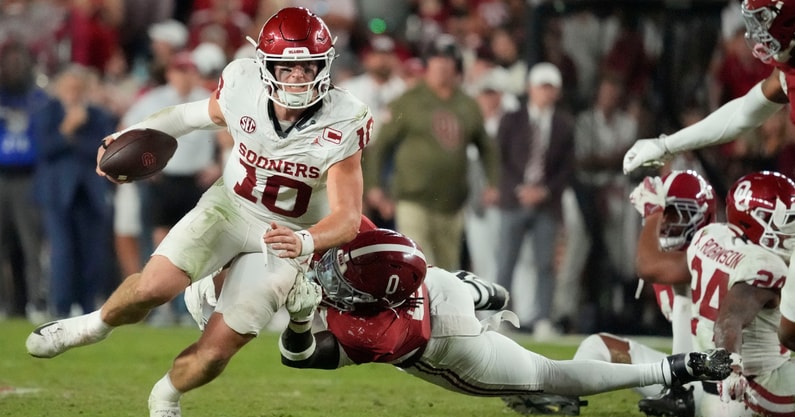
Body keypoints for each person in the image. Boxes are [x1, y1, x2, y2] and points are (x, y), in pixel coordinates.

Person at [25, 7, 371, 417]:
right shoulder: (243, 86)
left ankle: (165, 396)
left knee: (215, 354)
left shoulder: (344, 118)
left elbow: (348, 218)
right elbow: (187, 117)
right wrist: (126, 136)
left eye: (307, 65)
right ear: (267, 67)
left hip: (287, 234)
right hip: (230, 207)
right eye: (287, 67)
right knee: (152, 288)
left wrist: (304, 240)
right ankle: (92, 325)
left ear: (324, 64)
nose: (298, 77)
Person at [183, 226, 734, 416]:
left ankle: (671, 370)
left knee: (550, 375)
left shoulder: (382, 330)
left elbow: (296, 356)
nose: (328, 274)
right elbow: (338, 230)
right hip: (438, 284)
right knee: (460, 284)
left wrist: (303, 318)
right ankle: (482, 289)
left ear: (369, 299)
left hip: (448, 344)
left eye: (340, 279)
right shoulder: (376, 256)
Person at [619, 0, 795, 351]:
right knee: (788, 333)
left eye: (764, 20)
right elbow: (744, 112)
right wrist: (666, 144)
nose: (758, 32)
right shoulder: (788, 71)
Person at [574, 170, 718, 417]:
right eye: (664, 212)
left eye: (675, 213)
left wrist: (652, 213)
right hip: (688, 370)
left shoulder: (712, 247)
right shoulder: (666, 257)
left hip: (722, 386)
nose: (666, 222)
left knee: (682, 295)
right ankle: (561, 391)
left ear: (701, 215)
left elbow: (648, 266)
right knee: (596, 346)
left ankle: (680, 393)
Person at [364, 34, 499, 271]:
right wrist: (374, 186)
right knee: (417, 263)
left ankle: (441, 310)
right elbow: (381, 144)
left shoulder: (467, 105)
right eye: (436, 59)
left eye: (447, 60)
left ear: (456, 67)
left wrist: (492, 182)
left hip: (452, 203)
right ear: (428, 65)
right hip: (412, 198)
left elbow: (487, 148)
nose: (441, 65)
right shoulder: (408, 101)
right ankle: (418, 309)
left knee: (448, 270)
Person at [494, 62, 575, 337]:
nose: (545, 92)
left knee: (545, 264)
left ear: (558, 92)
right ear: (530, 88)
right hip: (513, 199)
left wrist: (545, 191)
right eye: (542, 86)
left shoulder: (563, 124)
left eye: (550, 87)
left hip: (547, 203)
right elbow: (499, 159)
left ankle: (542, 317)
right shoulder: (512, 118)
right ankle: (499, 316)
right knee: (506, 261)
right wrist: (518, 187)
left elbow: (566, 167)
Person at [33, 64, 116, 319]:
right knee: (62, 251)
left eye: (79, 88)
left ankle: (87, 304)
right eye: (69, 88)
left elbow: (104, 150)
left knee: (91, 252)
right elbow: (43, 148)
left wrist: (70, 140)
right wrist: (68, 129)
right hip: (57, 194)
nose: (74, 93)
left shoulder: (99, 115)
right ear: (59, 89)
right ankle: (61, 306)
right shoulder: (47, 112)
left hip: (90, 193)